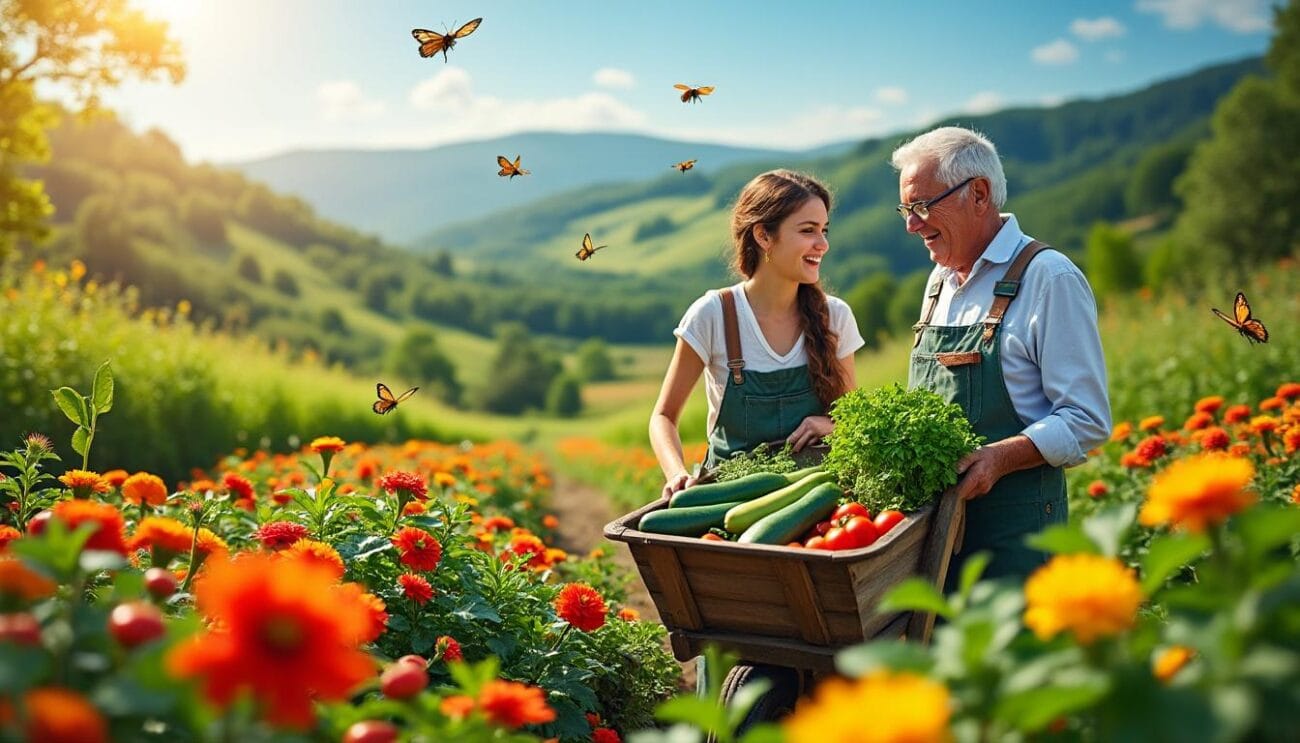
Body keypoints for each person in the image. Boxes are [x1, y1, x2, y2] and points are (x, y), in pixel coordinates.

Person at [892, 126, 1111, 589]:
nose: (912, 225)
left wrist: (1001, 458)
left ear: (979, 194)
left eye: (922, 206)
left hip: (1017, 535)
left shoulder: (1049, 277)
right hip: (937, 537)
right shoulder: (940, 281)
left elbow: (1087, 419)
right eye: (906, 210)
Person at [649, 169, 865, 500]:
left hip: (815, 500)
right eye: (807, 230)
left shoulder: (835, 316)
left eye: (824, 230)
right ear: (763, 236)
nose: (823, 244)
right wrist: (677, 473)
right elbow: (664, 416)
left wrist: (832, 426)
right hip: (727, 500)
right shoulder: (713, 315)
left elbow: (853, 419)